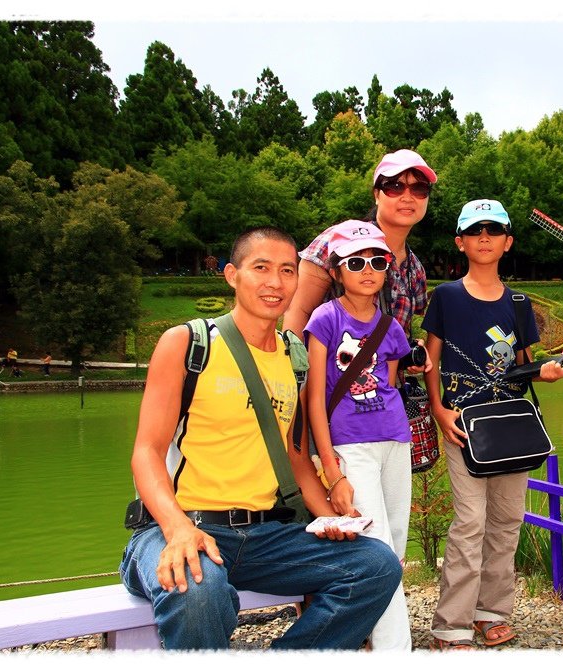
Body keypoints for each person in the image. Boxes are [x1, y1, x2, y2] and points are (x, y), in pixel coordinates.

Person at [119, 226, 402, 650]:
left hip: (265, 536)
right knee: (199, 590)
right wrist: (177, 528)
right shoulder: (188, 344)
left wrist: (331, 519)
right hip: (181, 523)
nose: (275, 282)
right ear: (233, 275)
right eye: (261, 268)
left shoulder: (293, 356)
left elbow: (293, 456)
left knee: (376, 565)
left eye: (287, 270)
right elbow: (146, 452)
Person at [421, 199, 563, 650]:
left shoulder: (519, 303)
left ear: (507, 242)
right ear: (460, 242)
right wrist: (437, 410)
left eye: (494, 229)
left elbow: (525, 364)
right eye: (475, 230)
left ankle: (492, 612)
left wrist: (546, 370)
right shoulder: (445, 297)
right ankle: (452, 624)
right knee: (469, 522)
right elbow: (429, 359)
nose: (484, 237)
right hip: (464, 424)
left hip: (511, 425)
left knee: (507, 521)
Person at [304, 220, 414, 651]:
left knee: (397, 546)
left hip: (394, 438)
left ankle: (375, 639)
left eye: (377, 260)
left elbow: (390, 386)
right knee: (377, 551)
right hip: (350, 444)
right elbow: (316, 400)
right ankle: (395, 652)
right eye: (356, 261)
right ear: (336, 271)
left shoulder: (392, 327)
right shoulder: (324, 318)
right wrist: (332, 471)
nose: (367, 269)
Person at [283, 148, 436, 346]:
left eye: (419, 188)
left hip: (385, 377)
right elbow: (298, 309)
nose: (407, 196)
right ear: (376, 195)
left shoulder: (415, 269)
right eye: (395, 187)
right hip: (328, 374)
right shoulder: (338, 240)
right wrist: (297, 369)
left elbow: (397, 334)